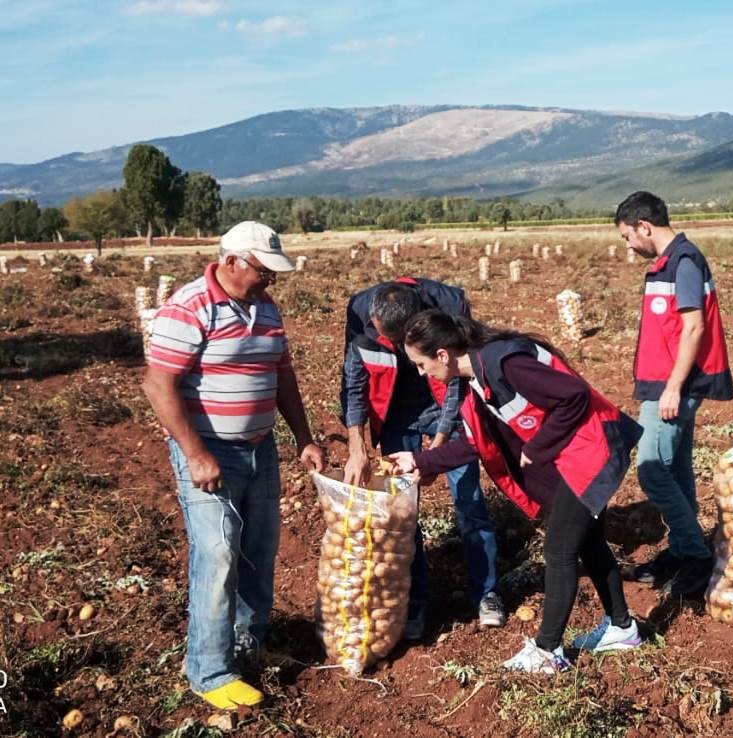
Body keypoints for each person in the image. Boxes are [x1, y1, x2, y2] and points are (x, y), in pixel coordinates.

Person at [388, 310, 643, 673]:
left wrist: (537, 448)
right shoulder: (476, 380)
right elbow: (478, 444)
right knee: (588, 543)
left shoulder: (504, 363)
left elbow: (574, 396)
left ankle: (546, 651)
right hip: (575, 454)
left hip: (593, 448)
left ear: (442, 355)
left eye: (420, 363)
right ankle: (622, 627)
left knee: (559, 550)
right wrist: (420, 461)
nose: (420, 371)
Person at [142, 221, 326, 710]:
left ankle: (249, 642)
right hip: (210, 450)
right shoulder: (189, 307)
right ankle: (209, 670)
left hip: (260, 446)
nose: (271, 281)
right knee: (218, 554)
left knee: (259, 548)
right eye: (263, 271)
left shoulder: (266, 308)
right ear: (231, 262)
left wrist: (303, 436)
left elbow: (281, 374)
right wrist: (196, 454)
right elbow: (159, 385)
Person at [341, 278, 504, 635]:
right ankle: (414, 601)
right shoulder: (358, 310)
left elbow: (457, 382)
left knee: (469, 501)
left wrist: (438, 447)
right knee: (401, 511)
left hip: (449, 411)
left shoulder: (451, 305)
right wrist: (357, 445)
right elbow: (353, 380)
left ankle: (487, 592)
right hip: (396, 416)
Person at [615, 191, 733, 597]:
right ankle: (685, 549)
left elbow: (694, 327)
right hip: (666, 383)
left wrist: (673, 387)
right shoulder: (671, 262)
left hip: (672, 387)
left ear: (644, 227)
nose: (629, 247)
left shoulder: (682, 262)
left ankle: (696, 559)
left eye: (628, 237)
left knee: (651, 469)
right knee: (679, 471)